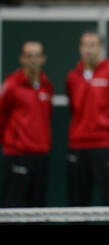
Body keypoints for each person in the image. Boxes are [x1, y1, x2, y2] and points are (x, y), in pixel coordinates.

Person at [66, 30, 109, 208]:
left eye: (93, 45)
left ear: (101, 48)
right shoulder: (72, 77)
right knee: (77, 203)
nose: (88, 50)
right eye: (85, 45)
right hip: (78, 146)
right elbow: (73, 108)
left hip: (105, 146)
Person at [0, 41, 53, 208]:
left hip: (41, 155)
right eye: (29, 56)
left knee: (38, 207)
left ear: (43, 58)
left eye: (37, 56)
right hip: (17, 154)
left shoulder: (47, 86)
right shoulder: (11, 84)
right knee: (12, 205)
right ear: (22, 59)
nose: (33, 60)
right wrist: (10, 143)